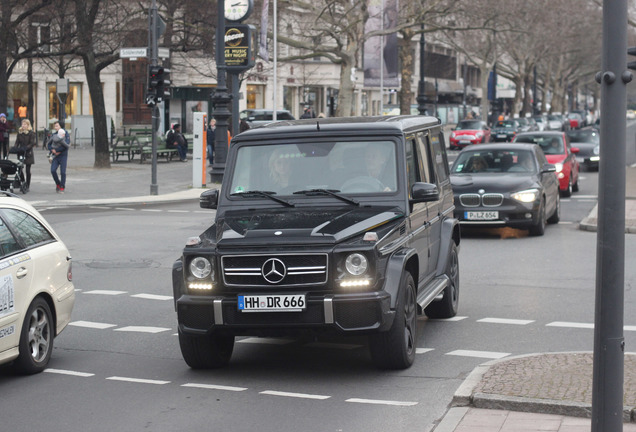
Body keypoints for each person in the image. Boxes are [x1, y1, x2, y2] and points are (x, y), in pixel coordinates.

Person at [12, 119, 37, 191]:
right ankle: (23, 182)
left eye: (25, 124)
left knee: (27, 170)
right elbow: (17, 142)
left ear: (28, 125)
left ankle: (27, 185)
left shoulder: (31, 133)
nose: (23, 126)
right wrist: (15, 148)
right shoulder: (20, 133)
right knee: (19, 168)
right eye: (22, 124)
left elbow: (32, 143)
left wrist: (26, 148)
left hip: (28, 153)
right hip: (21, 152)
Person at [47, 124, 70, 193]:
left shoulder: (65, 134)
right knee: (53, 170)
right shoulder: (54, 135)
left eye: (57, 126)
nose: (55, 127)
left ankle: (62, 186)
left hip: (63, 155)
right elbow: (48, 144)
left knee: (63, 172)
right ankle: (58, 183)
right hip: (55, 156)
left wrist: (57, 151)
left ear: (60, 126)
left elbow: (66, 146)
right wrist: (52, 150)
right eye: (55, 126)